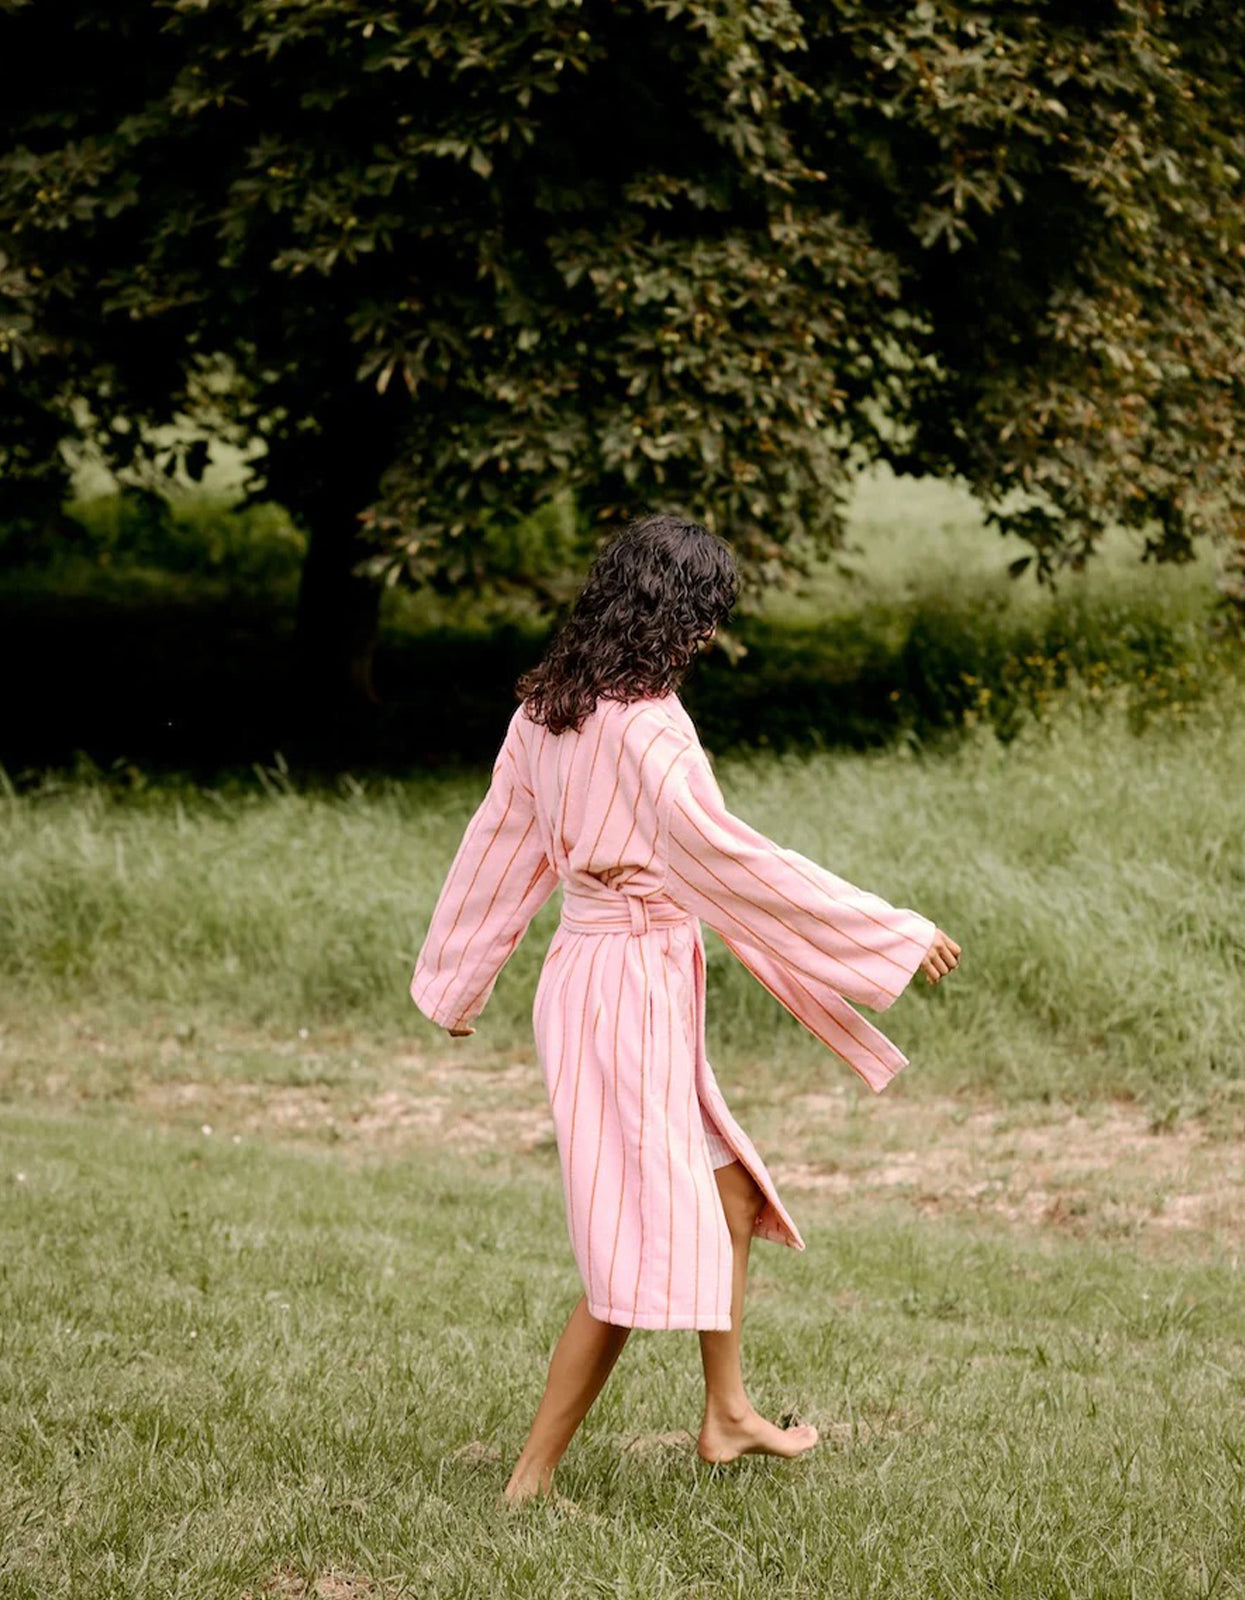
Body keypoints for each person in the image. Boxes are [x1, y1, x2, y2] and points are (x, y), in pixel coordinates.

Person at [411, 513, 961, 1505]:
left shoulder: (547, 709)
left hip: (600, 980)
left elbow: (499, 844)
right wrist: (892, 932)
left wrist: (460, 978)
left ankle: (726, 1412)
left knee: (731, 1197)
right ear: (678, 616)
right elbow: (733, 861)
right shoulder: (647, 727)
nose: (709, 636)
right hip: (623, 988)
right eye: (708, 615)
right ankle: (526, 1484)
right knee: (631, 1246)